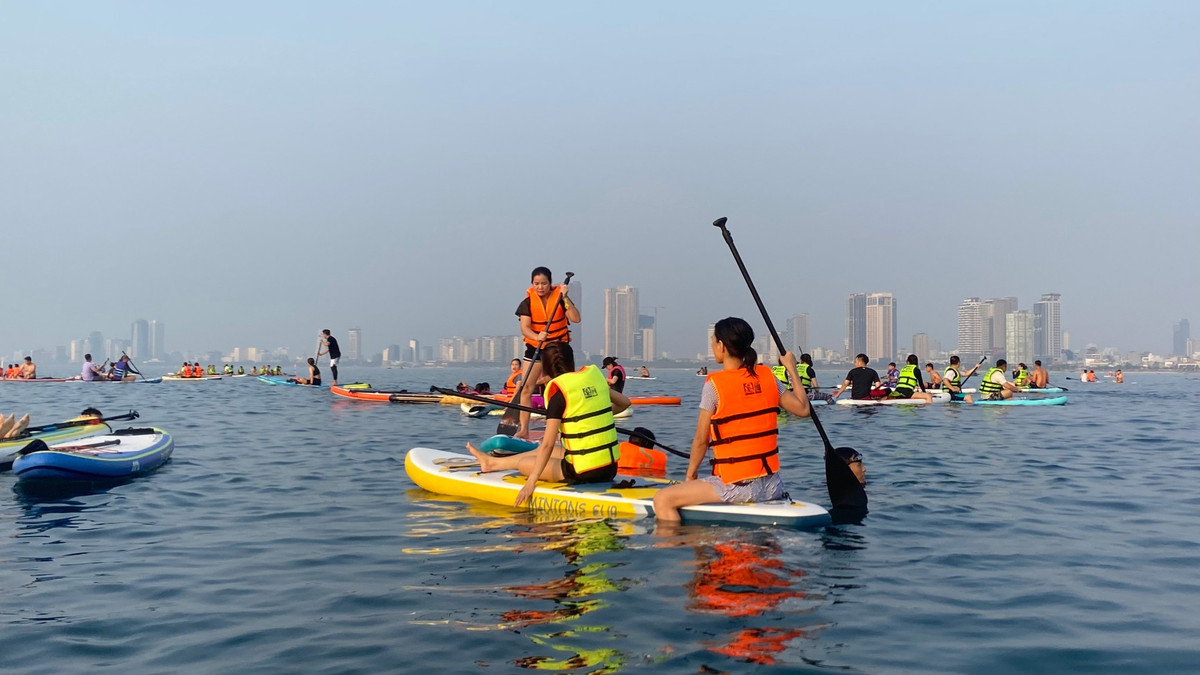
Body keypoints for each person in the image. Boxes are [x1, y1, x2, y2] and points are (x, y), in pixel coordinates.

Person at [651, 317, 812, 521]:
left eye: (713, 340)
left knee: (662, 499)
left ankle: (689, 545)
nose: (711, 345)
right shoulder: (767, 376)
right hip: (772, 485)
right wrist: (791, 368)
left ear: (722, 346)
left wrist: (690, 477)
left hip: (738, 487)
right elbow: (804, 409)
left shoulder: (714, 386)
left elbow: (701, 440)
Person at [467, 342, 631, 505]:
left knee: (525, 464)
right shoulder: (593, 379)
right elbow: (624, 403)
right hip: (610, 468)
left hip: (582, 473)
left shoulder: (558, 394)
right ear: (571, 361)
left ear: (545, 369)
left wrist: (531, 481)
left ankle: (493, 463)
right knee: (541, 452)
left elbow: (548, 444)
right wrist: (593, 419)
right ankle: (492, 463)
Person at [514, 267, 580, 438]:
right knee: (527, 387)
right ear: (532, 284)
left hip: (558, 350)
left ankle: (562, 430)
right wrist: (537, 336)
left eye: (544, 283)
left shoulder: (560, 298)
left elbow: (575, 318)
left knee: (563, 389)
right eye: (536, 284)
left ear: (551, 284)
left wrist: (565, 297)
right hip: (536, 347)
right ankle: (524, 429)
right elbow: (524, 328)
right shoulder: (527, 303)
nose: (540, 287)